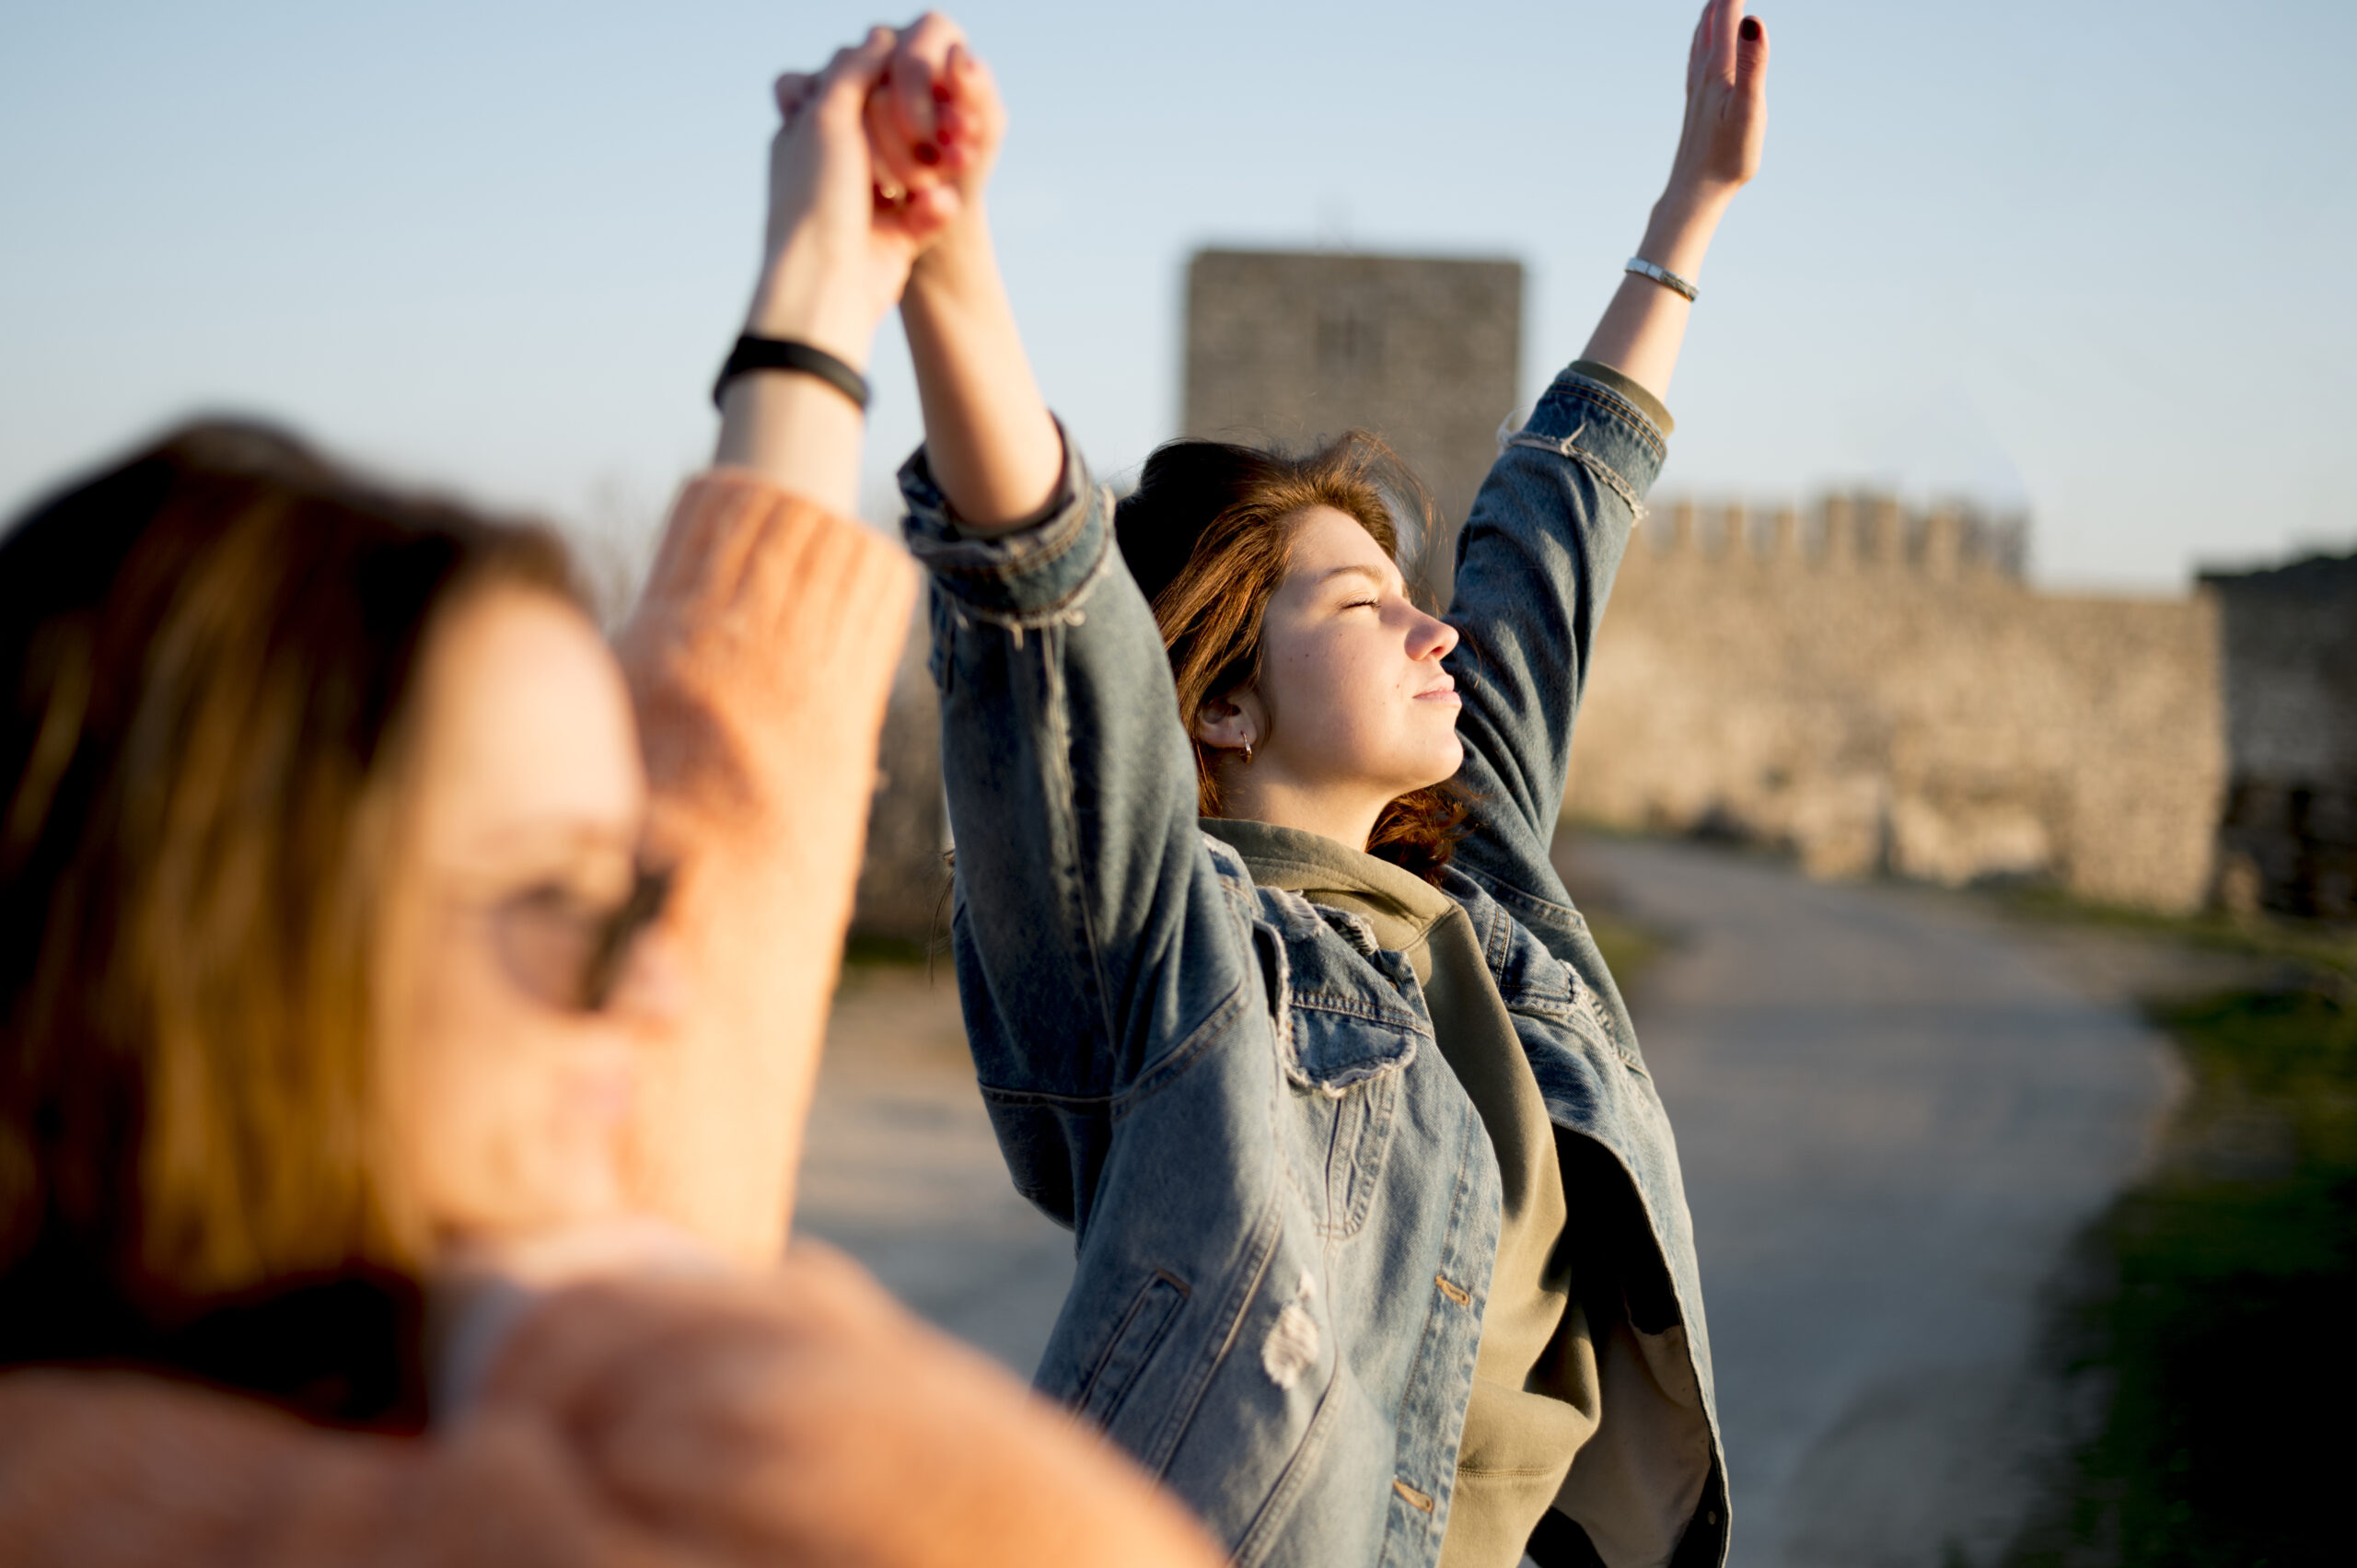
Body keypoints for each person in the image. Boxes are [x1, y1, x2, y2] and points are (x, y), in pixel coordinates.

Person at [0, 29, 1221, 1568]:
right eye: (561, 907)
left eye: (631, 894)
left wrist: (826, 290)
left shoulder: (487, 1198)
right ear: (209, 934)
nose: (659, 982)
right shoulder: (110, 1495)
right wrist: (649, 1316)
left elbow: (735, 772)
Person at [858, 5, 1771, 1565]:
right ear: (1214, 705)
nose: (1436, 633)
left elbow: (1552, 530)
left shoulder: (1481, 897)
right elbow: (1049, 639)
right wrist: (946, 265)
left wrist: (1688, 213)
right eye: (1363, 607)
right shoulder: (1181, 963)